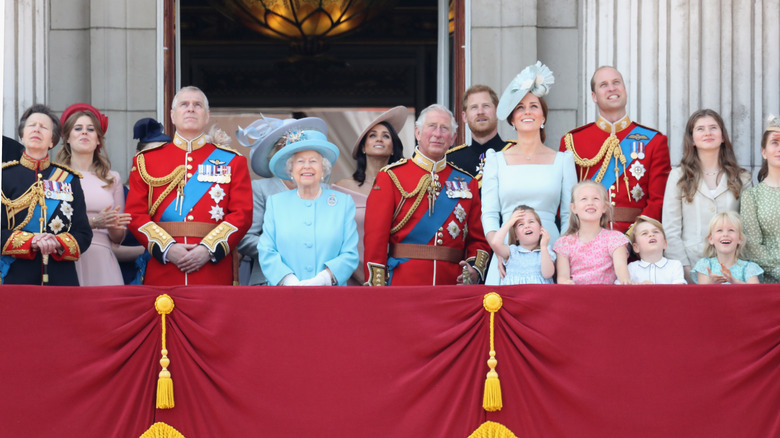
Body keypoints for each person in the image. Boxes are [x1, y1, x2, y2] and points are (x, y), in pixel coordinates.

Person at [126, 86, 252, 286]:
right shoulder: (146, 161)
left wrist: (208, 249)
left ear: (207, 116)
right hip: (164, 268)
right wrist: (167, 248)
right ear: (172, 116)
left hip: (212, 270)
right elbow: (135, 214)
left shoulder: (232, 161)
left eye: (198, 105)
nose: (191, 109)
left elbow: (242, 215)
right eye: (184, 105)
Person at [363, 104, 490, 286]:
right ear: (417, 132)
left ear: (453, 137)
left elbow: (478, 239)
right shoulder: (390, 176)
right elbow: (375, 238)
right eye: (431, 126)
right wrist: (377, 286)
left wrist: (474, 268)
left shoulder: (468, 182)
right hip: (403, 284)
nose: (437, 134)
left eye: (444, 128)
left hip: (451, 285)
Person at [482, 61, 576, 284]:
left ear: (543, 117)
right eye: (520, 108)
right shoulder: (495, 159)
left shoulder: (563, 160)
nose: (527, 112)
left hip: (550, 251)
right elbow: (489, 213)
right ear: (513, 119)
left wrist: (560, 258)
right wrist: (498, 248)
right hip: (507, 253)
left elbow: (569, 217)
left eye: (534, 106)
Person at [560, 66, 671, 233]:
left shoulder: (654, 141)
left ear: (624, 90)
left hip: (637, 242)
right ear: (594, 96)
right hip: (588, 239)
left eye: (616, 82)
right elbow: (564, 200)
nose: (612, 88)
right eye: (603, 85)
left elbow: (658, 200)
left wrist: (634, 237)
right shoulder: (573, 141)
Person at [1, 104, 92, 285]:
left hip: (61, 276)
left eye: (43, 127)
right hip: (16, 276)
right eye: (31, 125)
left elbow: (83, 233)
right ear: (22, 135)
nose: (37, 129)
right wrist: (31, 241)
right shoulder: (5, 176)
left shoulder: (69, 179)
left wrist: (58, 243)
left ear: (52, 141)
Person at [236, 116, 329, 286]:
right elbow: (246, 239)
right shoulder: (260, 188)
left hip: (317, 281)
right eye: (286, 146)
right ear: (275, 154)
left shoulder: (326, 191)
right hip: (269, 280)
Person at [257, 129, 358, 286]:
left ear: (323, 169)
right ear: (291, 170)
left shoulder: (343, 203)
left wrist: (323, 279)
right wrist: (288, 281)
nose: (307, 167)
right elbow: (266, 251)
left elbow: (350, 254)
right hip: (284, 295)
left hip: (330, 296)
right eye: (300, 161)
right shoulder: (275, 203)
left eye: (313, 161)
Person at [662, 109, 752, 283]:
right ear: (692, 139)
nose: (708, 133)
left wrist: (739, 271)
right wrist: (686, 272)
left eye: (713, 127)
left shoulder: (742, 178)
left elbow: (747, 228)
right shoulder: (678, 176)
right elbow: (670, 229)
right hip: (691, 266)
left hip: (734, 271)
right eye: (700, 129)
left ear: (723, 136)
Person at [57, 103, 130, 286]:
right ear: (66, 138)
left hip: (102, 258)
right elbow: (50, 226)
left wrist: (113, 224)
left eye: (90, 129)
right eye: (78, 128)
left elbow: (118, 238)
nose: (84, 133)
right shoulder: (55, 177)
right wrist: (94, 222)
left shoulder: (112, 178)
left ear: (98, 140)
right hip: (66, 257)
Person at [333, 106, 406, 285]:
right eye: (372, 135)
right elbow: (332, 236)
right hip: (349, 275)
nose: (379, 138)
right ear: (363, 148)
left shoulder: (405, 189)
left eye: (386, 136)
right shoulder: (341, 189)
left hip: (395, 274)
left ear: (392, 149)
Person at [112, 117, 173, 284]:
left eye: (164, 154)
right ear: (138, 156)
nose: (158, 159)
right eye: (151, 154)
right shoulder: (122, 194)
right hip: (129, 277)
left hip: (169, 275)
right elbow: (110, 248)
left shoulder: (176, 200)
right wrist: (155, 249)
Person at [554, 180, 631, 285]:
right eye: (584, 199)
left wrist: (626, 282)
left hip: (607, 298)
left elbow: (622, 274)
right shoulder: (564, 243)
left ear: (604, 207)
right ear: (574, 208)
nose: (590, 203)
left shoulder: (615, 239)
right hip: (576, 298)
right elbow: (562, 279)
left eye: (596, 199)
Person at [740, 115, 780, 282]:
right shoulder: (752, 196)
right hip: (769, 283)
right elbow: (753, 246)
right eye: (775, 142)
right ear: (764, 152)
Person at [446, 85, 505, 185]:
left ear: (497, 112)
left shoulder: (513, 154)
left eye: (486, 106)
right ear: (464, 117)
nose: (480, 112)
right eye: (474, 107)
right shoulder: (451, 161)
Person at [487, 204, 555, 285]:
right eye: (521, 224)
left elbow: (547, 274)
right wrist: (509, 222)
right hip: (515, 296)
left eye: (531, 222)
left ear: (541, 229)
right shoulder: (512, 252)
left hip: (539, 296)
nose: (527, 226)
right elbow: (495, 243)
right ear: (516, 236)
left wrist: (543, 246)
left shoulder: (546, 251)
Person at [691, 211, 762, 284]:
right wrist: (711, 283)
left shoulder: (749, 267)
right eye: (719, 230)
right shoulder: (704, 265)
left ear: (740, 239)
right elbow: (701, 293)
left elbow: (754, 293)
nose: (725, 234)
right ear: (711, 239)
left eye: (731, 230)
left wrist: (734, 281)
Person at [626, 215, 686, 284]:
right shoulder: (631, 268)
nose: (651, 235)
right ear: (636, 247)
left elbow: (679, 290)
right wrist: (636, 287)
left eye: (655, 232)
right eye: (644, 233)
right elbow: (619, 289)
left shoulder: (675, 265)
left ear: (664, 244)